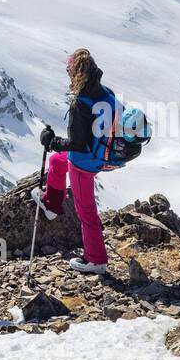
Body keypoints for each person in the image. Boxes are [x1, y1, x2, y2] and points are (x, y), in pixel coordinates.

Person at [33, 47, 113, 275]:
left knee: (86, 211)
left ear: (77, 73)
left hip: (83, 162)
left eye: (69, 72)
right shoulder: (106, 93)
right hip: (101, 153)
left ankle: (95, 259)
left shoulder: (81, 102)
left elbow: (76, 143)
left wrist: (52, 142)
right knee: (58, 162)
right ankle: (51, 204)